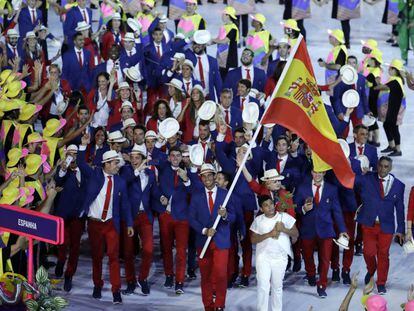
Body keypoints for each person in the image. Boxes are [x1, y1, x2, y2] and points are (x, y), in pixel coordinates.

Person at [77, 133, 134, 304]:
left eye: (118, 162)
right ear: (106, 164)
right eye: (115, 163)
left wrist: (130, 223)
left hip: (111, 225)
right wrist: (83, 146)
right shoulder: (95, 174)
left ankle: (116, 290)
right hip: (94, 224)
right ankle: (97, 285)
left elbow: (125, 205)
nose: (118, 165)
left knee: (114, 257)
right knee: (96, 256)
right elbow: (80, 163)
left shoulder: (121, 182)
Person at [294, 169, 349, 298]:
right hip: (308, 228)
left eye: (320, 172)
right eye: (314, 172)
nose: (317, 175)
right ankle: (311, 274)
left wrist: (342, 230)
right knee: (307, 256)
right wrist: (303, 209)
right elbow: (295, 206)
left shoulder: (332, 189)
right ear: (311, 173)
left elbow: (337, 211)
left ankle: (322, 285)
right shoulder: (302, 187)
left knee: (325, 259)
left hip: (326, 229)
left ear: (324, 173)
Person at [188, 163, 235, 311]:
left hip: (221, 240)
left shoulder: (225, 194)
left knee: (221, 274)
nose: (207, 178)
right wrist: (204, 231)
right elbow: (191, 219)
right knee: (206, 275)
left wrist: (225, 215)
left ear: (215, 177)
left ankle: (220, 305)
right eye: (204, 176)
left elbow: (234, 216)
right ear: (201, 178)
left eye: (210, 175)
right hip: (203, 242)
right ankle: (208, 306)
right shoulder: (196, 196)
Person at [355, 156, 405, 295]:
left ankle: (381, 282)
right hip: (369, 224)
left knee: (383, 255)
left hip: (387, 226)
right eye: (381, 166)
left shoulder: (399, 185)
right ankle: (371, 269)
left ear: (390, 168)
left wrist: (400, 229)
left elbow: (400, 209)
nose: (383, 169)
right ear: (377, 165)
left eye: (386, 166)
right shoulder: (367, 179)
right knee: (368, 252)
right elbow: (351, 179)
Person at [120, 144, 157, 296]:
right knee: (128, 252)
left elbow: (153, 191)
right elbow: (124, 182)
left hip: (145, 216)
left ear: (143, 159)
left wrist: (160, 197)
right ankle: (130, 281)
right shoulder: (126, 171)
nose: (134, 160)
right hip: (129, 216)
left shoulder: (150, 174)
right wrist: (136, 171)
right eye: (133, 158)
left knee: (148, 249)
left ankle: (143, 278)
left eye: (137, 158)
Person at [250, 195, 298, 311]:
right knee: (263, 286)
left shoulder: (284, 217)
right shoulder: (258, 220)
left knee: (277, 286)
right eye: (266, 205)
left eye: (271, 204)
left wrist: (284, 230)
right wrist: (269, 234)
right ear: (261, 209)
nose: (270, 207)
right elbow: (253, 239)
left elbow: (296, 233)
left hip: (280, 258)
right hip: (263, 257)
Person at [155, 146, 191, 294]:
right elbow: (154, 186)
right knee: (166, 248)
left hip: (182, 217)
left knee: (182, 251)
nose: (175, 158)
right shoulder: (163, 169)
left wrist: (186, 180)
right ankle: (169, 275)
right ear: (169, 157)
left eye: (178, 155)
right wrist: (160, 196)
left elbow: (195, 192)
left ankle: (180, 281)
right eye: (173, 155)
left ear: (182, 157)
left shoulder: (188, 172)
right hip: (166, 216)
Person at [54, 145, 86, 292]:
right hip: (64, 215)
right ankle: (61, 262)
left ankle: (69, 275)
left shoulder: (83, 171)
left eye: (75, 154)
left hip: (78, 216)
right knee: (63, 243)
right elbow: (58, 180)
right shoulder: (63, 172)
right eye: (70, 154)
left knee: (75, 247)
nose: (72, 157)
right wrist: (62, 169)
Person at [374, 59, 406, 156]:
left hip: (397, 107)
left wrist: (377, 83)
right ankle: (391, 146)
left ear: (394, 70)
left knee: (393, 127)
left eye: (390, 69)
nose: (388, 71)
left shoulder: (395, 80)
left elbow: (381, 87)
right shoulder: (397, 80)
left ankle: (398, 149)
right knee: (387, 125)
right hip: (394, 105)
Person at [212, 6, 239, 79]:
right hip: (220, 56)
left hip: (229, 59)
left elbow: (224, 41)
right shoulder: (223, 26)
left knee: (226, 79)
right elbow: (218, 39)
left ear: (228, 15)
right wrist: (206, 42)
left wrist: (213, 40)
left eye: (223, 14)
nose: (222, 16)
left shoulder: (233, 28)